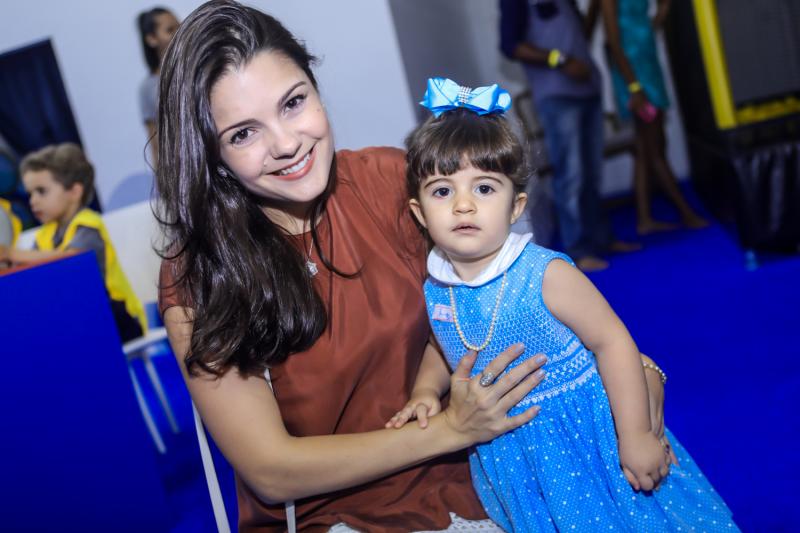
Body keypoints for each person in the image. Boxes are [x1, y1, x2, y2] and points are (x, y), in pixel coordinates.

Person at [155, 2, 666, 531]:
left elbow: (517, 293)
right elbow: (272, 471)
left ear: (316, 87)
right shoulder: (201, 273)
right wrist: (451, 429)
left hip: (490, 469)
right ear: (210, 156)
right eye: (243, 134)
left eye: (293, 102)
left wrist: (637, 373)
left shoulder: (390, 181)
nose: (286, 144)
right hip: (338, 514)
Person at [394, 77, 738, 532]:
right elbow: (442, 346)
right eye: (443, 191)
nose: (463, 206)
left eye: (484, 188)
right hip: (515, 457)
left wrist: (635, 433)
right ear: (420, 212)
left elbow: (611, 341)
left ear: (516, 207)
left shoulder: (545, 273)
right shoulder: (436, 287)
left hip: (587, 440)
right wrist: (424, 391)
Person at [500, 0, 637, 272]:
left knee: (591, 173)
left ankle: (602, 239)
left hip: (588, 89)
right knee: (571, 175)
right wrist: (559, 60)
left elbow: (579, 36)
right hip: (557, 96)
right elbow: (510, 46)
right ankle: (578, 250)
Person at [0, 143, 146, 342]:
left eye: (41, 191)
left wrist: (12, 253)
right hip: (81, 317)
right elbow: (33, 270)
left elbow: (74, 261)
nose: (33, 201)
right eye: (30, 194)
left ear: (75, 192)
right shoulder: (44, 235)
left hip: (119, 320)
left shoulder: (88, 224)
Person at [602, 0, 709, 234]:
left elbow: (643, 27)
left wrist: (663, 11)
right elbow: (613, 42)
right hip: (636, 78)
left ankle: (645, 220)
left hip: (647, 66)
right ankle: (686, 213)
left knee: (644, 149)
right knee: (655, 148)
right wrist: (634, 87)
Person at [137, 7, 180, 169]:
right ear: (152, 39)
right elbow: (156, 144)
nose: (178, 33)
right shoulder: (148, 88)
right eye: (170, 30)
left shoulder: (199, 68)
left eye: (179, 26)